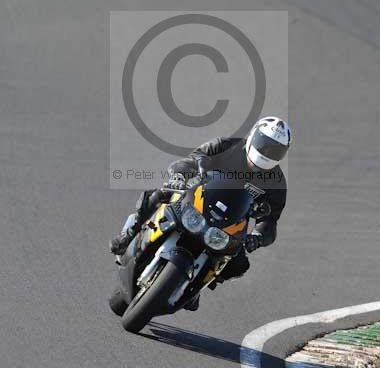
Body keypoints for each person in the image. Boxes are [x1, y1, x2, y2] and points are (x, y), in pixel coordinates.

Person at [110, 116, 292, 310]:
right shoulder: (226, 145)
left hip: (229, 224)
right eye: (264, 144)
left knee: (238, 265)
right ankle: (129, 234)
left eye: (275, 150)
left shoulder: (277, 183)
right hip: (197, 200)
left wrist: (258, 237)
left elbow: (270, 221)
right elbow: (193, 159)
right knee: (158, 194)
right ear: (253, 136)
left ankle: (197, 285)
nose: (266, 152)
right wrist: (180, 177)